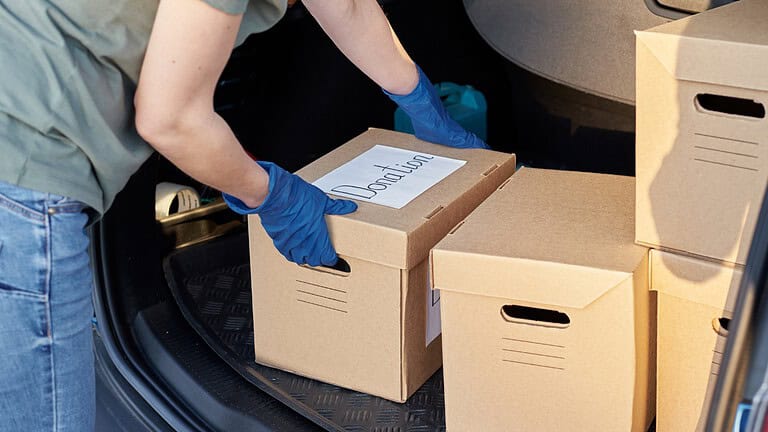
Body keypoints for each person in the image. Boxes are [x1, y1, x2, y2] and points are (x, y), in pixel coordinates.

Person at [0, 0, 488, 431]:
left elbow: (349, 7)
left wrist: (417, 99)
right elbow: (170, 120)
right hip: (23, 176)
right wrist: (271, 196)